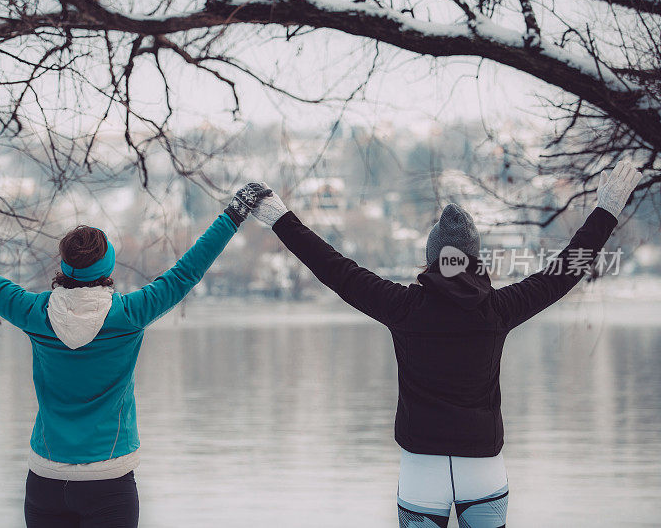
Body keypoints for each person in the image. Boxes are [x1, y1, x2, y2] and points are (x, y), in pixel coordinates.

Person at [250, 160, 642, 528]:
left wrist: (282, 220)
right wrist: (605, 211)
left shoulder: (403, 307)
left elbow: (335, 268)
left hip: (421, 471)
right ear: (475, 259)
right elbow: (561, 273)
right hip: (483, 471)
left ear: (432, 258)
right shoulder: (498, 310)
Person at [0, 182, 271, 528]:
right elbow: (188, 270)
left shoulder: (34, 313)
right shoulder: (131, 314)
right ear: (108, 267)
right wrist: (234, 213)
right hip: (110, 484)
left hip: (46, 483)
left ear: (63, 266)